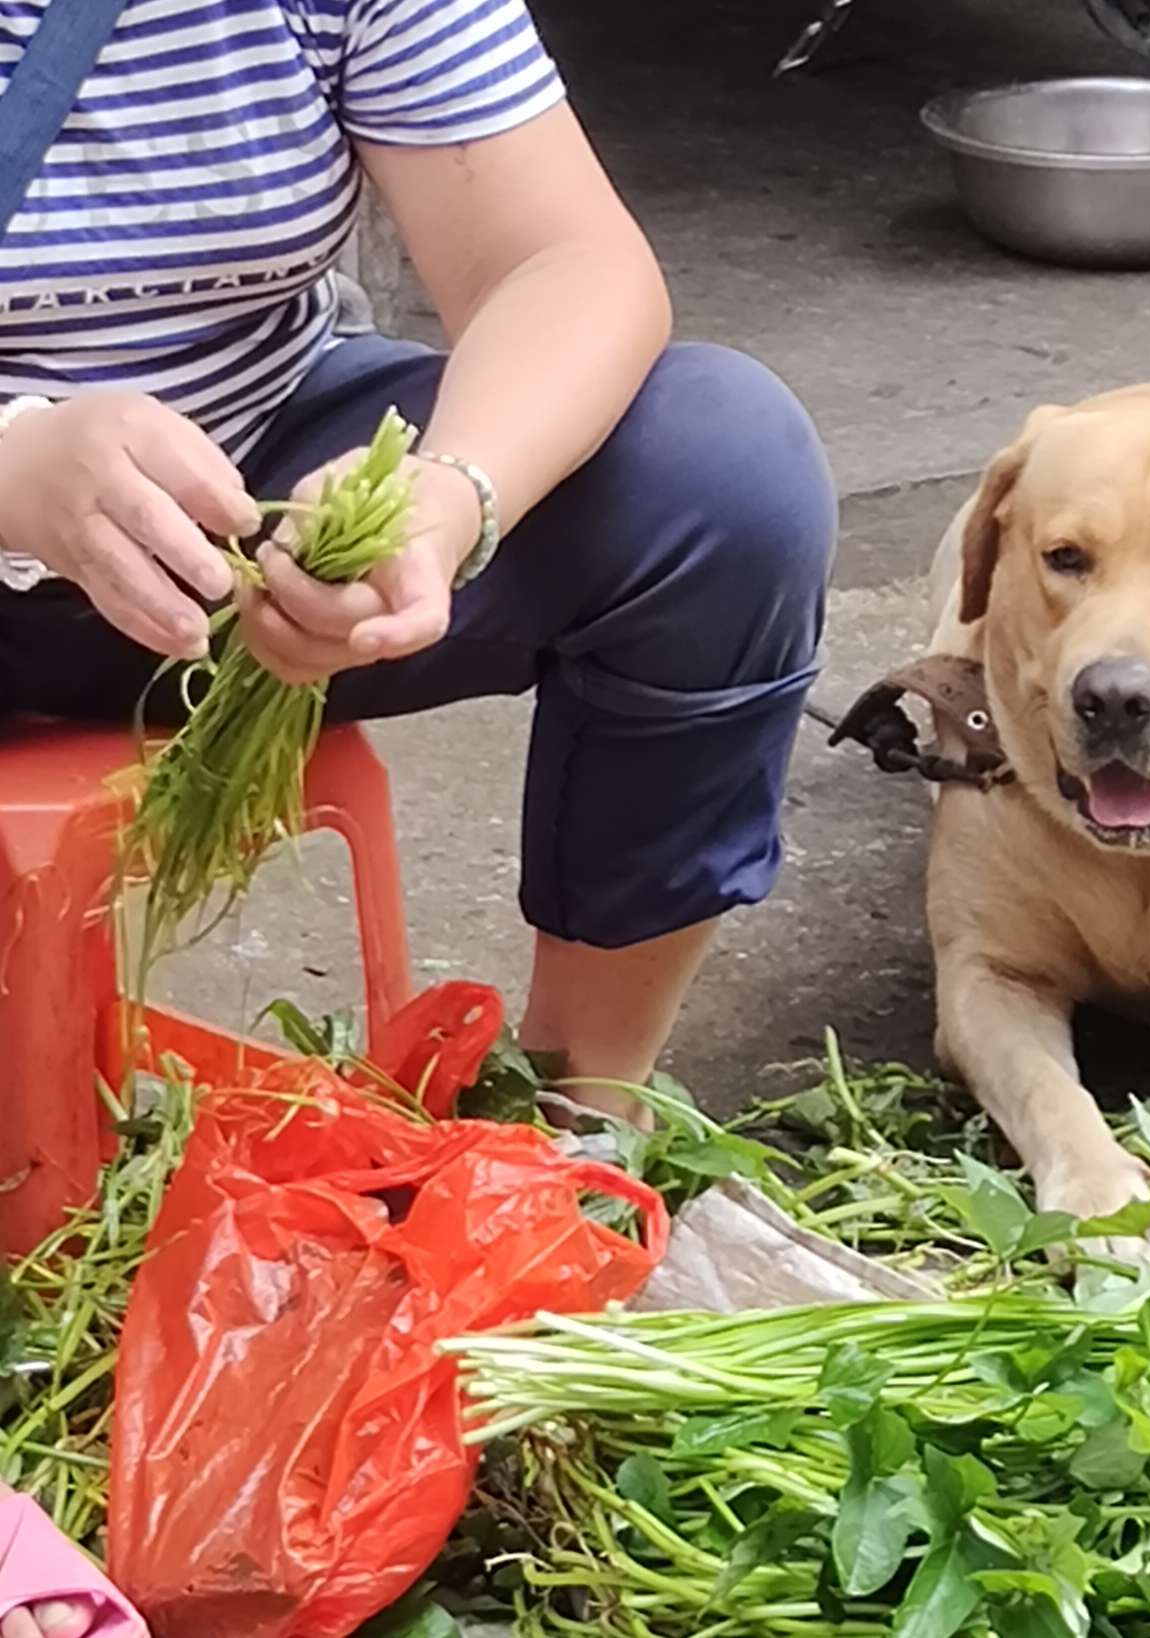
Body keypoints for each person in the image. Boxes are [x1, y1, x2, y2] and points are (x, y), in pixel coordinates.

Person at [0, 1, 834, 1624]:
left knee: (717, 477)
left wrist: (440, 506)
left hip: (244, 522)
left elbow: (562, 262)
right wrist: (17, 463)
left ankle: (573, 1143)